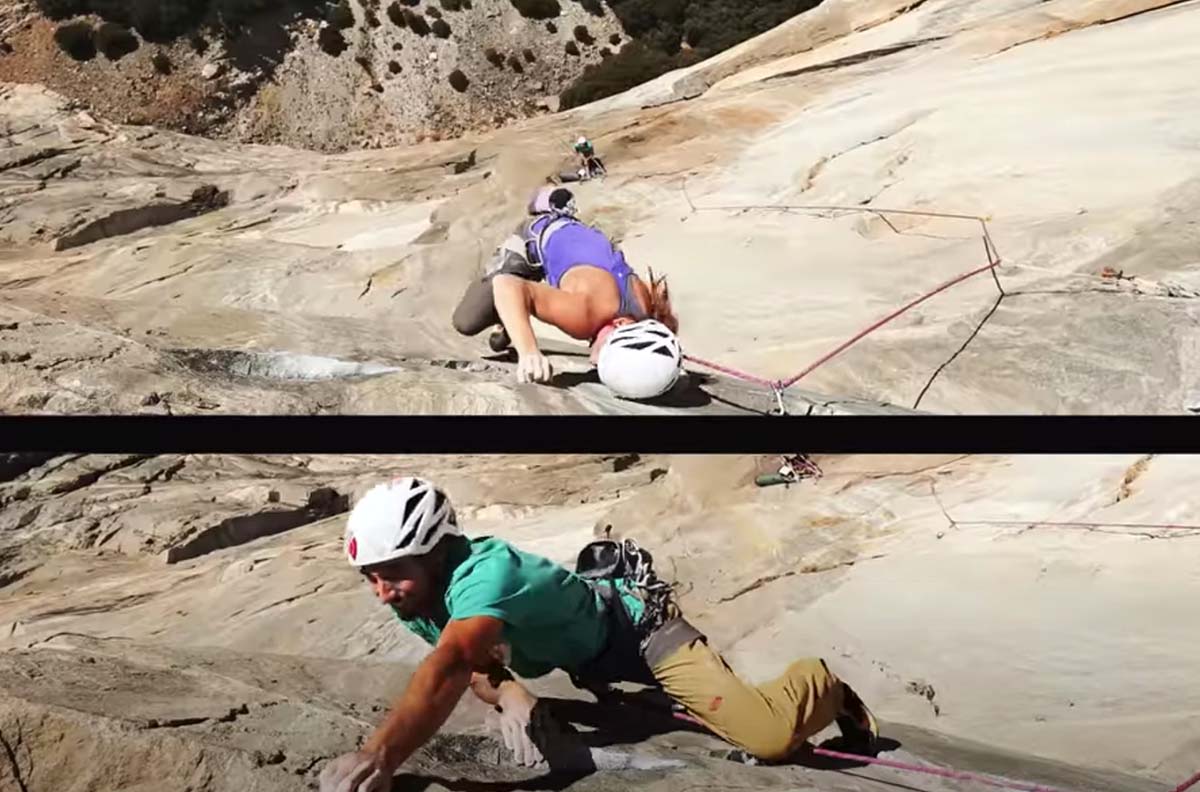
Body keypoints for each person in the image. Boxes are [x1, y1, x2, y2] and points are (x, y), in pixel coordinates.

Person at [319, 477, 879, 792]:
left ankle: (823, 684)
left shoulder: (488, 574)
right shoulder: (416, 591)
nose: (381, 592)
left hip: (643, 633)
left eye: (391, 573)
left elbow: (448, 665)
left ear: (435, 551)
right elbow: (476, 668)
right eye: (369, 576)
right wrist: (509, 692)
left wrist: (379, 755)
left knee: (768, 737)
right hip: (594, 660)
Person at [451, 186, 677, 385]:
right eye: (605, 355)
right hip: (534, 239)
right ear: (619, 324)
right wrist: (529, 351)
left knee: (513, 316)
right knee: (466, 321)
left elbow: (659, 296)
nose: (595, 360)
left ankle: (523, 305)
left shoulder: (646, 312)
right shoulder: (584, 316)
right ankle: (548, 203)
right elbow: (506, 284)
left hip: (581, 237)